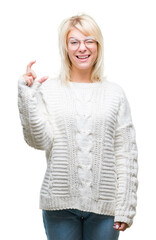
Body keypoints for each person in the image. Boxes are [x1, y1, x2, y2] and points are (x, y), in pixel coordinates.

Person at [17, 14, 138, 240]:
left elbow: (125, 153)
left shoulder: (115, 93)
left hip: (105, 209)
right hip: (59, 207)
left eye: (89, 40)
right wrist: (27, 97)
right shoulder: (49, 89)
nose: (82, 48)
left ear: (98, 45)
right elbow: (38, 141)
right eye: (74, 41)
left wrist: (125, 206)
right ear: (66, 47)